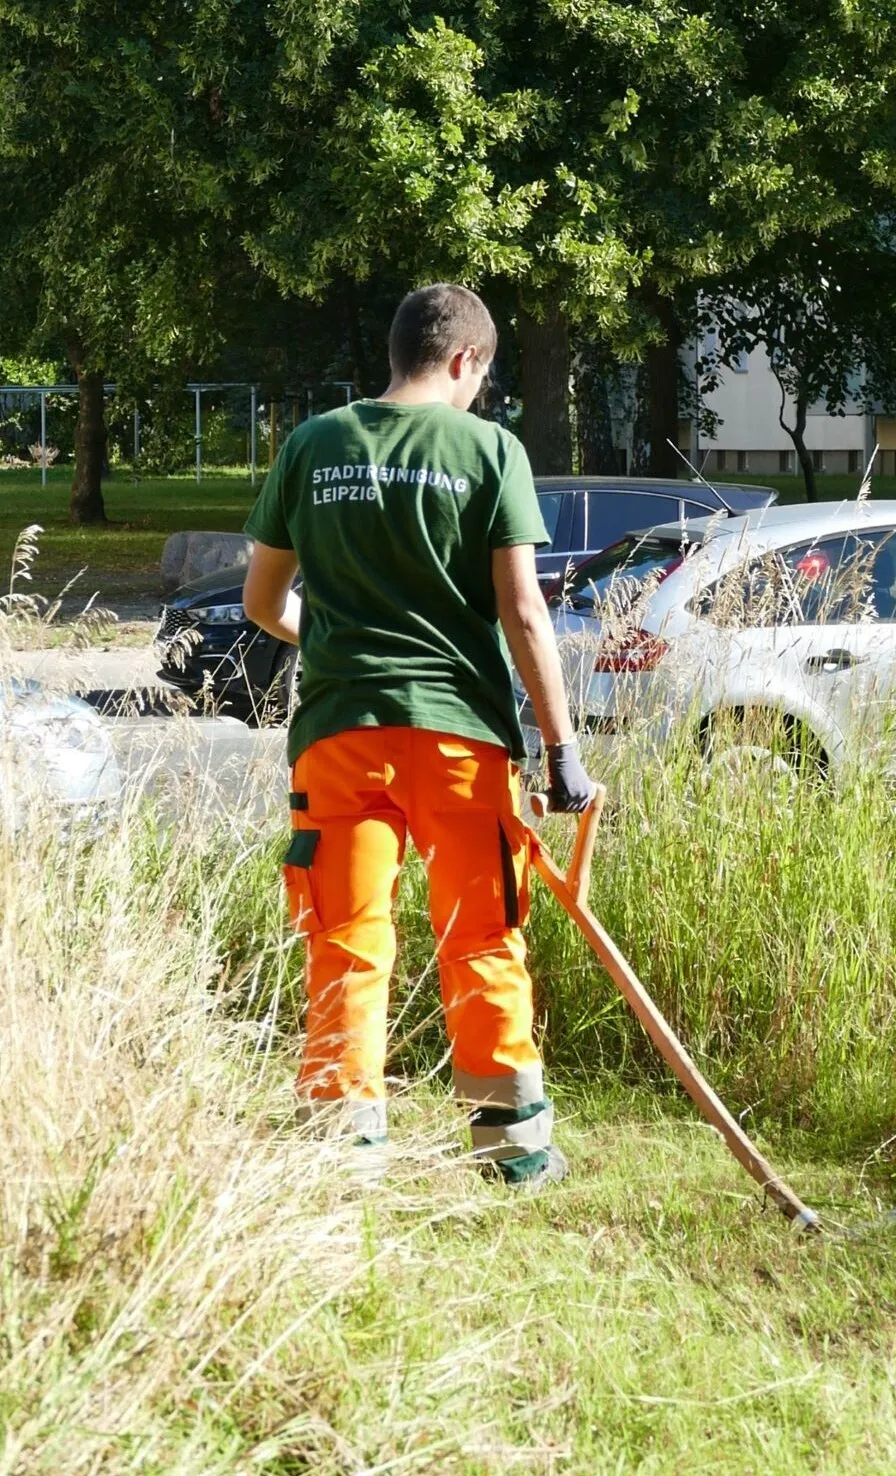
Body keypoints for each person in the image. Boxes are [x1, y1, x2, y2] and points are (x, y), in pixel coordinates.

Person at [242, 283, 597, 1190]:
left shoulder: (312, 444)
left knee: (345, 938)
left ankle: (343, 1152)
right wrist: (563, 752)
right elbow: (523, 611)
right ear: (465, 360)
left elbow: (263, 602)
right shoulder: (490, 450)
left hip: (339, 736)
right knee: (481, 936)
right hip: (460, 740)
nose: (480, 392)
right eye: (482, 376)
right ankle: (514, 1151)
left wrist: (332, 642)